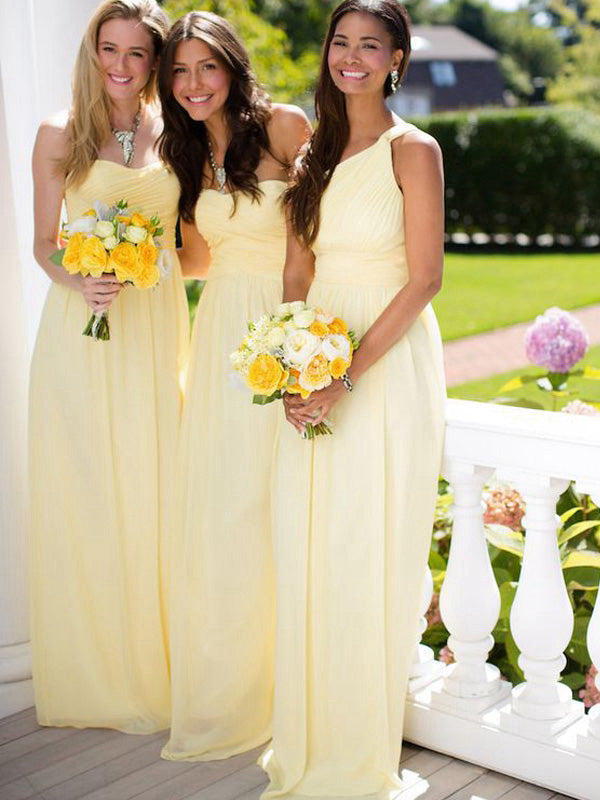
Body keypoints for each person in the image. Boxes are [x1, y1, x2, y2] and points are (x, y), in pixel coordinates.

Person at [260, 0, 446, 796]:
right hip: (316, 359)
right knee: (312, 549)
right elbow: (298, 273)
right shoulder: (314, 155)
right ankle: (311, 736)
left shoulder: (416, 151)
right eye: (342, 43)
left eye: (372, 45)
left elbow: (426, 278)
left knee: (368, 547)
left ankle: (360, 750)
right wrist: (292, 360)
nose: (353, 58)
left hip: (384, 360)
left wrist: (344, 378)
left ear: (397, 59)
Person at [30, 0, 189, 733]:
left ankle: (160, 669)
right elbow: (43, 243)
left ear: (155, 61)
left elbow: (194, 246)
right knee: (91, 490)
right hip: (83, 324)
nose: (121, 67)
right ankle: (96, 676)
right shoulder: (61, 133)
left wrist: (150, 259)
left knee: (156, 485)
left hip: (156, 324)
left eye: (136, 54)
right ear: (93, 53)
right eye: (109, 50)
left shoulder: (178, 133)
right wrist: (80, 276)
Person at [157, 12, 311, 761]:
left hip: (283, 324)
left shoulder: (284, 126)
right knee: (227, 510)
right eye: (178, 72)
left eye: (204, 67)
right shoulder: (183, 154)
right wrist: (109, 241)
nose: (192, 85)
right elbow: (192, 260)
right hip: (220, 335)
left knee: (284, 501)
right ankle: (234, 688)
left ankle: (300, 688)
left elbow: (321, 229)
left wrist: (297, 338)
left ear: (232, 65)